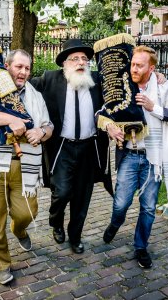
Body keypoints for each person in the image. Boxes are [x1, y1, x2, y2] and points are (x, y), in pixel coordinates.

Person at [0, 49, 53, 285]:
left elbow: (49, 126)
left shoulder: (35, 95)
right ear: (7, 66)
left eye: (27, 68)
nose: (23, 72)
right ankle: (1, 265)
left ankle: (20, 230)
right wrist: (10, 119)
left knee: (27, 212)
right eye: (18, 67)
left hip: (25, 164)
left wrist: (41, 132)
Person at [104, 46, 168, 269]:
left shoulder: (166, 88)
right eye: (132, 64)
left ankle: (140, 246)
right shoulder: (122, 86)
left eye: (139, 65)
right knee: (121, 203)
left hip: (155, 159)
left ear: (152, 67)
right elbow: (103, 109)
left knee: (148, 207)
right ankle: (115, 222)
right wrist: (109, 125)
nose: (134, 69)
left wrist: (154, 107)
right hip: (130, 155)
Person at [30, 39, 112, 255]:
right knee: (63, 191)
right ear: (64, 63)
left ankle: (75, 236)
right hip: (62, 148)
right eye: (74, 58)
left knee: (82, 197)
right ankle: (56, 221)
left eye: (84, 58)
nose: (80, 62)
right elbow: (23, 86)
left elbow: (123, 85)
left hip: (88, 148)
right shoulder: (50, 79)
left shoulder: (97, 81)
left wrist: (156, 77)